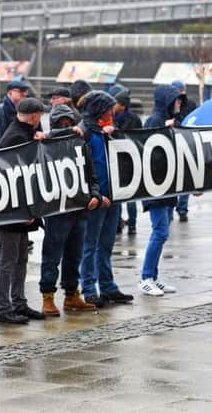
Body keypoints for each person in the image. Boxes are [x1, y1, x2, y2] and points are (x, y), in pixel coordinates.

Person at [40, 105, 100, 316]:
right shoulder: (45, 146)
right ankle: (47, 296)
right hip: (57, 210)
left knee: (74, 255)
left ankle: (71, 294)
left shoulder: (81, 143)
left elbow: (91, 174)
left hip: (80, 209)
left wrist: (95, 195)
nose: (66, 127)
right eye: (61, 124)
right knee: (52, 255)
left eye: (68, 123)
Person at [79, 91, 134, 307]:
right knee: (90, 245)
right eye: (109, 109)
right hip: (97, 199)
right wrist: (95, 194)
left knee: (106, 244)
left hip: (113, 197)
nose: (112, 112)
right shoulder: (84, 132)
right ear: (99, 110)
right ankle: (89, 288)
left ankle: (108, 286)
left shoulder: (103, 132)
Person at [0, 98, 46, 325]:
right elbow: (15, 178)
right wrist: (24, 210)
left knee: (21, 258)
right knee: (8, 260)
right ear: (34, 116)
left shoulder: (23, 133)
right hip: (12, 208)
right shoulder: (16, 137)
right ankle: (4, 308)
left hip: (19, 208)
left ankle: (19, 302)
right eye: (40, 116)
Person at [138, 85, 181, 297]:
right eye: (177, 100)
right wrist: (164, 130)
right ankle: (145, 277)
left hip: (167, 188)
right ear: (167, 101)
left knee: (162, 234)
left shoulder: (168, 122)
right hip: (156, 189)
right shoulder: (154, 121)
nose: (180, 104)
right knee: (160, 232)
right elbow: (149, 152)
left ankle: (153, 276)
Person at [0, 80, 29, 248]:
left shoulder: (22, 111)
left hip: (18, 163)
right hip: (3, 162)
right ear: (10, 93)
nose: (24, 95)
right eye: (20, 91)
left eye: (25, 92)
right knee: (2, 198)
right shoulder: (1, 112)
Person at [111, 89, 143, 235]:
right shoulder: (135, 118)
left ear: (123, 105)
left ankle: (119, 223)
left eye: (116, 103)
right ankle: (131, 224)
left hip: (120, 160)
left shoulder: (114, 119)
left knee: (120, 194)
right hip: (132, 160)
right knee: (130, 195)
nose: (113, 105)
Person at [171, 80, 197, 222]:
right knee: (184, 176)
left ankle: (179, 207)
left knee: (179, 176)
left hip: (179, 142)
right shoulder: (191, 104)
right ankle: (181, 208)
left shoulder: (173, 103)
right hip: (186, 142)